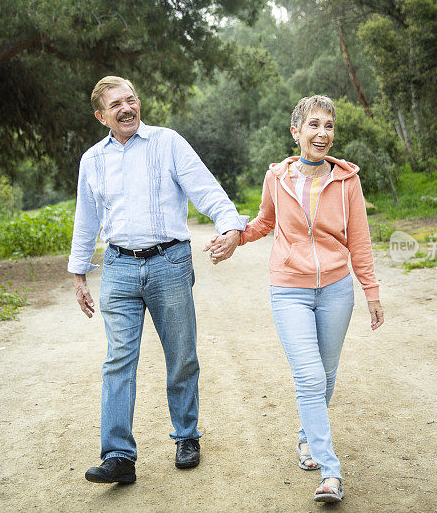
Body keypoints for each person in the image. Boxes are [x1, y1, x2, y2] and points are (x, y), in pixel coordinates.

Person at [206, 95, 384, 503]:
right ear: (296, 131)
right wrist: (236, 235)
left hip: (337, 289)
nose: (323, 134)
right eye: (314, 125)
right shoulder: (278, 177)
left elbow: (359, 241)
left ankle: (306, 436)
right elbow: (265, 221)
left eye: (329, 126)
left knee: (328, 374)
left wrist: (371, 292)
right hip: (289, 289)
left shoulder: (347, 180)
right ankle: (330, 471)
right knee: (309, 376)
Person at [69, 76, 245, 484]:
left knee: (181, 355)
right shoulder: (92, 161)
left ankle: (186, 436)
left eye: (131, 99)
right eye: (116, 105)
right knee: (118, 360)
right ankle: (118, 456)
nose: (126, 108)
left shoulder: (167, 142)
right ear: (101, 117)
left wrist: (230, 226)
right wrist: (79, 273)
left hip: (170, 263)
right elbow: (86, 220)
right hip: (118, 267)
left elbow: (206, 190)